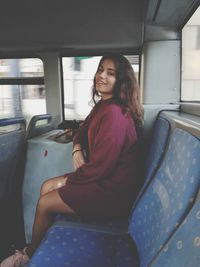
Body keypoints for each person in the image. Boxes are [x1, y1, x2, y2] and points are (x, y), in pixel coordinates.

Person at [1, 54, 144, 267]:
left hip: (112, 193)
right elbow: (82, 130)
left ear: (121, 80)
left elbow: (101, 167)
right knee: (47, 186)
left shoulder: (115, 115)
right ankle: (41, 242)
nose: (101, 76)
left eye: (110, 73)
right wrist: (76, 148)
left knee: (45, 202)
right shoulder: (102, 106)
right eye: (100, 69)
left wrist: (70, 181)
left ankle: (28, 254)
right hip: (102, 180)